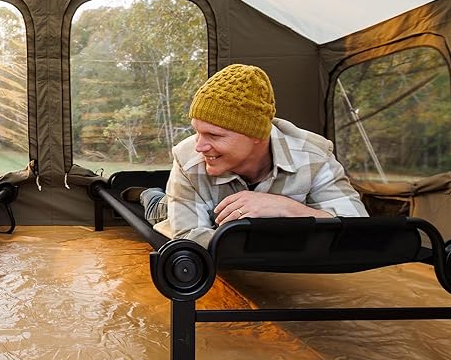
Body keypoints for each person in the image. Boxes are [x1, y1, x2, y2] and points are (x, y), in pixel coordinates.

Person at [139, 63, 367, 245]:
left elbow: (358, 229)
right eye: (197, 131)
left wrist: (286, 208)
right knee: (158, 208)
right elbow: (190, 240)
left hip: (213, 216)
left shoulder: (313, 154)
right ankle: (148, 194)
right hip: (168, 208)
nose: (199, 146)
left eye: (214, 135)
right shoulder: (187, 156)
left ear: (256, 135)